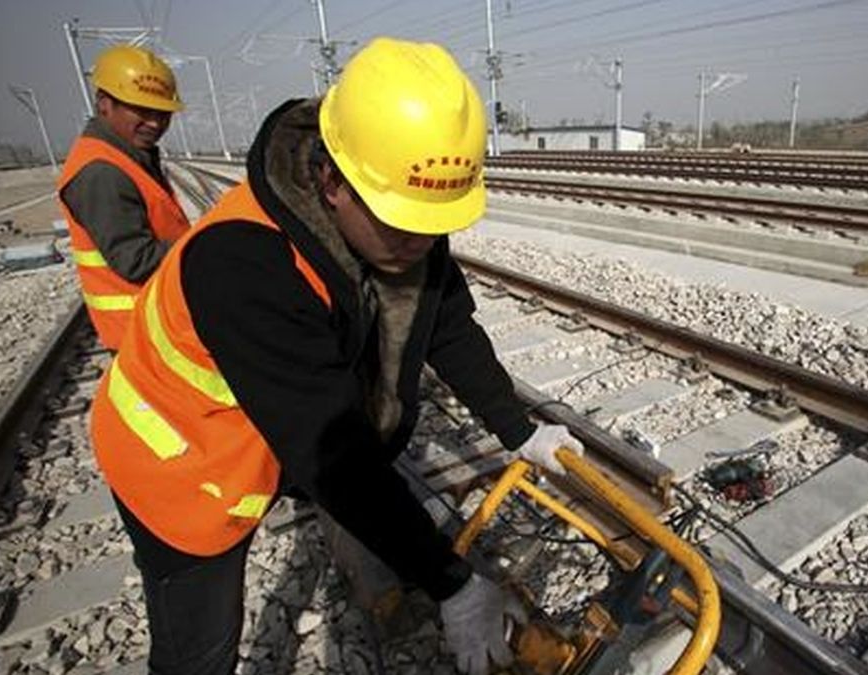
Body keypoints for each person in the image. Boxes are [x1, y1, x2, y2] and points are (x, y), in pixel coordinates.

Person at [87, 37, 584, 675]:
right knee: (201, 646)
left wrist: (521, 431)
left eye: (435, 223)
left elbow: (446, 323)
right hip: (176, 462)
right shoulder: (242, 264)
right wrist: (454, 585)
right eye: (400, 222)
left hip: (256, 432)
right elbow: (334, 455)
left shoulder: (399, 210)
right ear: (329, 179)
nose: (420, 241)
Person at [57, 43, 190, 350]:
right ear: (105, 103)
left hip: (158, 320)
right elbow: (136, 261)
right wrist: (205, 245)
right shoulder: (101, 172)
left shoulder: (127, 156)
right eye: (142, 111)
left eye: (163, 113)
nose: (155, 123)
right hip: (144, 332)